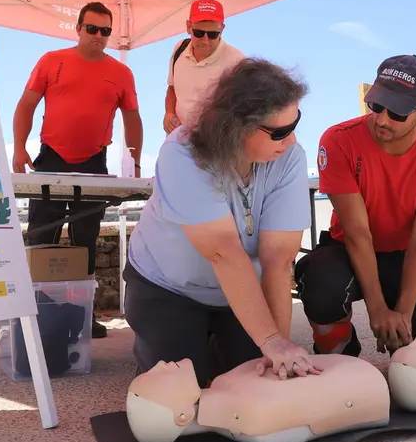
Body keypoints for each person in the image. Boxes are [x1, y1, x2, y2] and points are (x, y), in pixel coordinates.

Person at [123, 58, 319, 385]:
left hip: (239, 292)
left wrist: (278, 346)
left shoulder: (289, 157)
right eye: (280, 131)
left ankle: (218, 339)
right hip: (167, 288)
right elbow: (223, 251)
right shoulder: (182, 153)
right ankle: (156, 343)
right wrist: (268, 341)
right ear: (236, 127)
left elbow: (277, 260)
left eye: (295, 124)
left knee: (255, 381)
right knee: (186, 389)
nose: (291, 141)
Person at [294, 55, 416, 357]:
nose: (382, 119)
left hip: (403, 255)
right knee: (321, 284)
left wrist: (404, 314)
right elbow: (357, 232)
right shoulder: (337, 140)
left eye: (397, 112)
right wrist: (377, 311)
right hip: (347, 248)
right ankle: (338, 350)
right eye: (377, 105)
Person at [13, 2, 144, 338]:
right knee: (42, 236)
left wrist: (135, 161)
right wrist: (18, 148)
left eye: (104, 31)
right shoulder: (51, 60)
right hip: (51, 159)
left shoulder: (122, 73)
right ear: (78, 28)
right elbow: (26, 104)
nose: (98, 36)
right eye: (92, 29)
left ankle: (82, 315)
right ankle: (36, 315)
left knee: (86, 240)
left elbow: (132, 119)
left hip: (94, 163)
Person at [163, 0, 245, 134]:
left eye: (213, 34)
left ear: (222, 29)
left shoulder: (236, 60)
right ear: (189, 27)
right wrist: (169, 114)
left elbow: (243, 109)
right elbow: (172, 89)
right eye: (199, 33)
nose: (205, 41)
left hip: (215, 143)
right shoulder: (180, 48)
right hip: (179, 137)